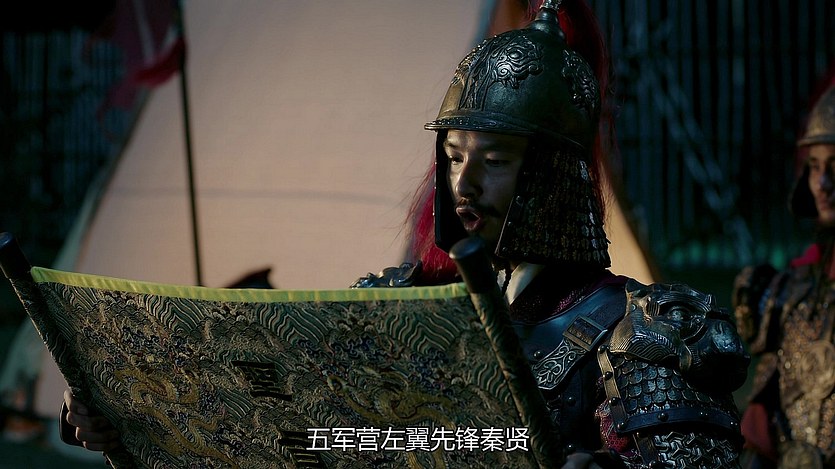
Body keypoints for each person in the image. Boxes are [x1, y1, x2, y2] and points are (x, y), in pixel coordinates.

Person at [65, 1, 750, 467]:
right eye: (453, 157)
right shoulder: (395, 303)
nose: (464, 183)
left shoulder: (638, 329)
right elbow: (294, 433)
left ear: (550, 175)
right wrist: (130, 412)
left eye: (494, 161)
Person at [733, 82, 835, 469]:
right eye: (815, 167)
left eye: (834, 167)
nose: (822, 184)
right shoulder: (792, 292)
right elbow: (759, 430)